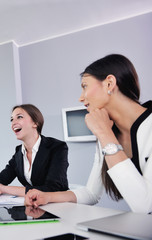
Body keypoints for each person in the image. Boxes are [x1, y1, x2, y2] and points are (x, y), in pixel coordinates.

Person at [25, 54, 152, 214]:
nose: (80, 97)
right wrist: (48, 197)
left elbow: (146, 206)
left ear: (109, 83)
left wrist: (104, 133)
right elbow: (91, 193)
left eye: (84, 86)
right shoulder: (107, 134)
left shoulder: (107, 134)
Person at [0, 104, 69, 198]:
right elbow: (1, 180)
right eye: (12, 119)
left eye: (19, 117)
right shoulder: (19, 152)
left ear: (35, 123)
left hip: (58, 207)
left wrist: (3, 188)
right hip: (33, 207)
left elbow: (52, 189)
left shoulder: (57, 147)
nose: (13, 123)